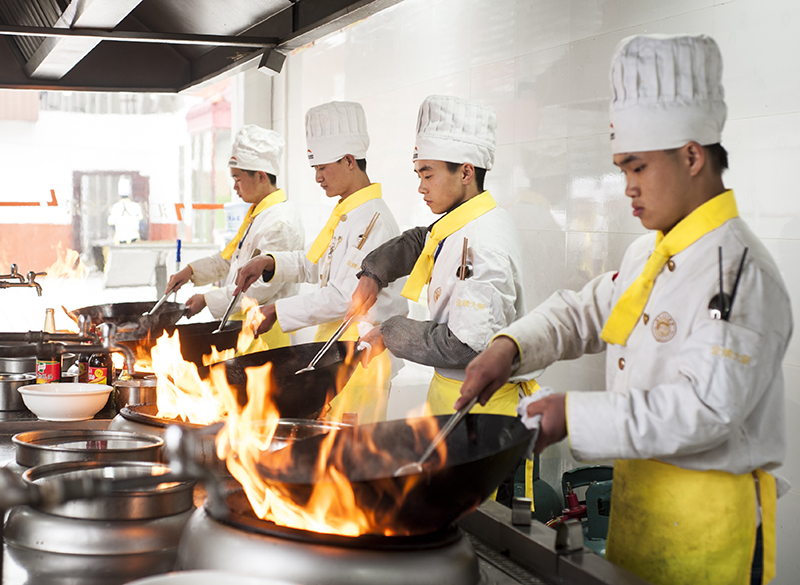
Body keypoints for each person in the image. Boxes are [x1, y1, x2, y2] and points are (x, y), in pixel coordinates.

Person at [457, 34, 791, 585]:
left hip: (711, 533)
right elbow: (582, 313)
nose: (627, 187)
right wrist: (509, 346)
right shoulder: (648, 254)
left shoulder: (741, 271)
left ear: (691, 156)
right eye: (622, 169)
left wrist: (575, 415)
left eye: (637, 168)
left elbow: (703, 410)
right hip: (642, 517)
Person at [349, 95, 535, 418]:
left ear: (465, 173)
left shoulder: (483, 242)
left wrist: (391, 332)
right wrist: (373, 272)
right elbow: (423, 239)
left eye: (428, 174)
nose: (421, 187)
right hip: (451, 399)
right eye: (418, 175)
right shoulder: (464, 220)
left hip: (483, 411)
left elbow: (465, 345)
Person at [234, 101, 408, 424]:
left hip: (361, 358)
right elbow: (316, 266)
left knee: (349, 459)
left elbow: (344, 297)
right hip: (335, 351)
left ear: (349, 161)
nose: (317, 178)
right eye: (314, 169)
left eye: (322, 168)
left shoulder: (373, 220)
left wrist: (277, 311)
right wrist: (269, 263)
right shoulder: (346, 213)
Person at [166, 125, 304, 348]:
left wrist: (207, 300)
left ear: (260, 176)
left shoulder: (280, 222)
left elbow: (260, 287)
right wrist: (190, 271)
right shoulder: (258, 214)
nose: (234, 187)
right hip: (243, 329)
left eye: (238, 179)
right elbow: (231, 261)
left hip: (265, 335)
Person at [108, 176, 143, 244]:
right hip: (134, 239)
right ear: (130, 196)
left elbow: (111, 224)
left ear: (119, 196)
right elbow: (141, 223)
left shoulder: (115, 207)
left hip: (120, 239)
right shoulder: (136, 206)